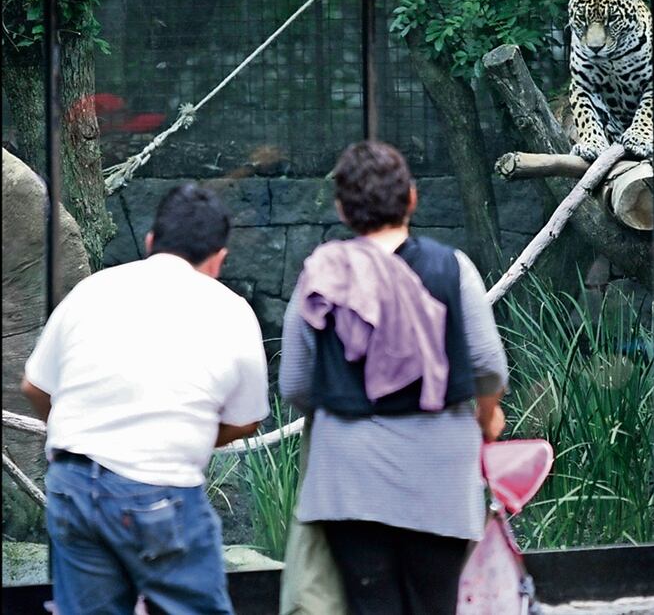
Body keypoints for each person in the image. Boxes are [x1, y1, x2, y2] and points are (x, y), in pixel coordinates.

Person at [279, 140, 509, 615]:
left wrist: (346, 413)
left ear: (343, 210)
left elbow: (296, 385)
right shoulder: (454, 267)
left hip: (348, 477)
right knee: (435, 604)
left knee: (370, 605)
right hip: (439, 472)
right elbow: (488, 363)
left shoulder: (318, 274)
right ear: (412, 198)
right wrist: (488, 414)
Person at [21, 184, 270, 614]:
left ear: (151, 242)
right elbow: (247, 421)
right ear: (218, 259)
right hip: (159, 490)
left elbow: (34, 386)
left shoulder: (93, 289)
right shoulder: (231, 310)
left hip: (73, 484)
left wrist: (79, 433)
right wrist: (187, 436)